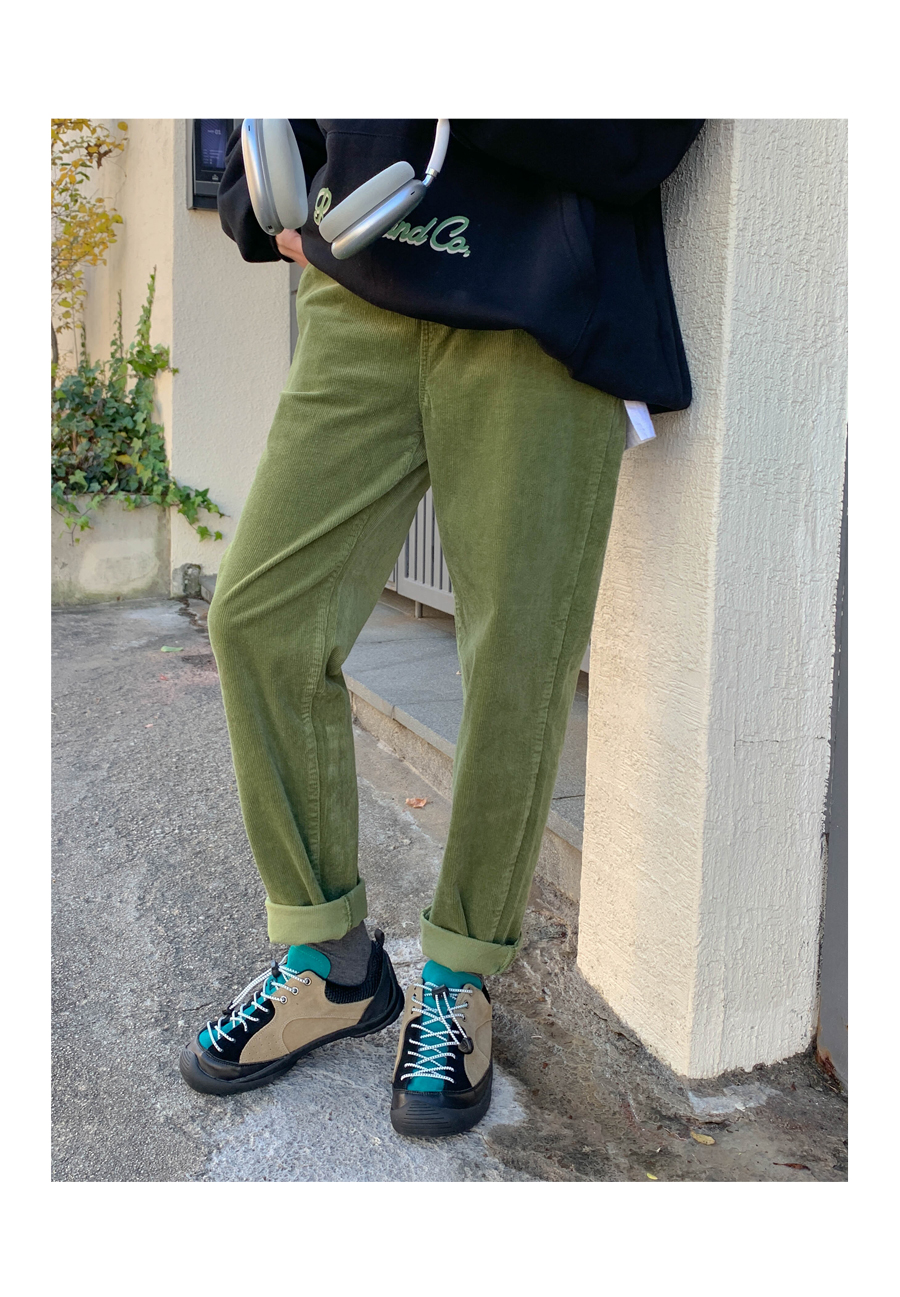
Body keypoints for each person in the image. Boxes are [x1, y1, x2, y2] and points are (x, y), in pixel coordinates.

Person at [178, 119, 704, 1137]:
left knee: (517, 662)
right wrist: (262, 198)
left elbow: (642, 136)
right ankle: (333, 964)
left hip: (537, 309)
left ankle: (459, 977)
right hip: (361, 289)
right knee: (259, 617)